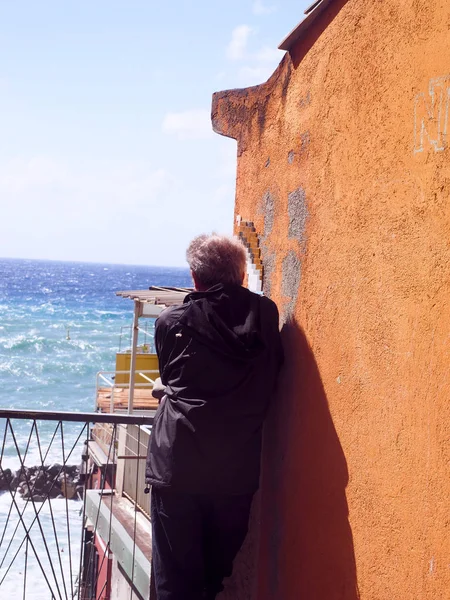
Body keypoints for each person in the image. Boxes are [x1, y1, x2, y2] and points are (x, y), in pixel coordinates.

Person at [146, 233, 283, 600]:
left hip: (179, 468)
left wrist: (164, 390)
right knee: (211, 582)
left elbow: (175, 380)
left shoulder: (171, 322)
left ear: (195, 277)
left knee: (174, 584)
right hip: (235, 473)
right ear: (240, 275)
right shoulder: (267, 317)